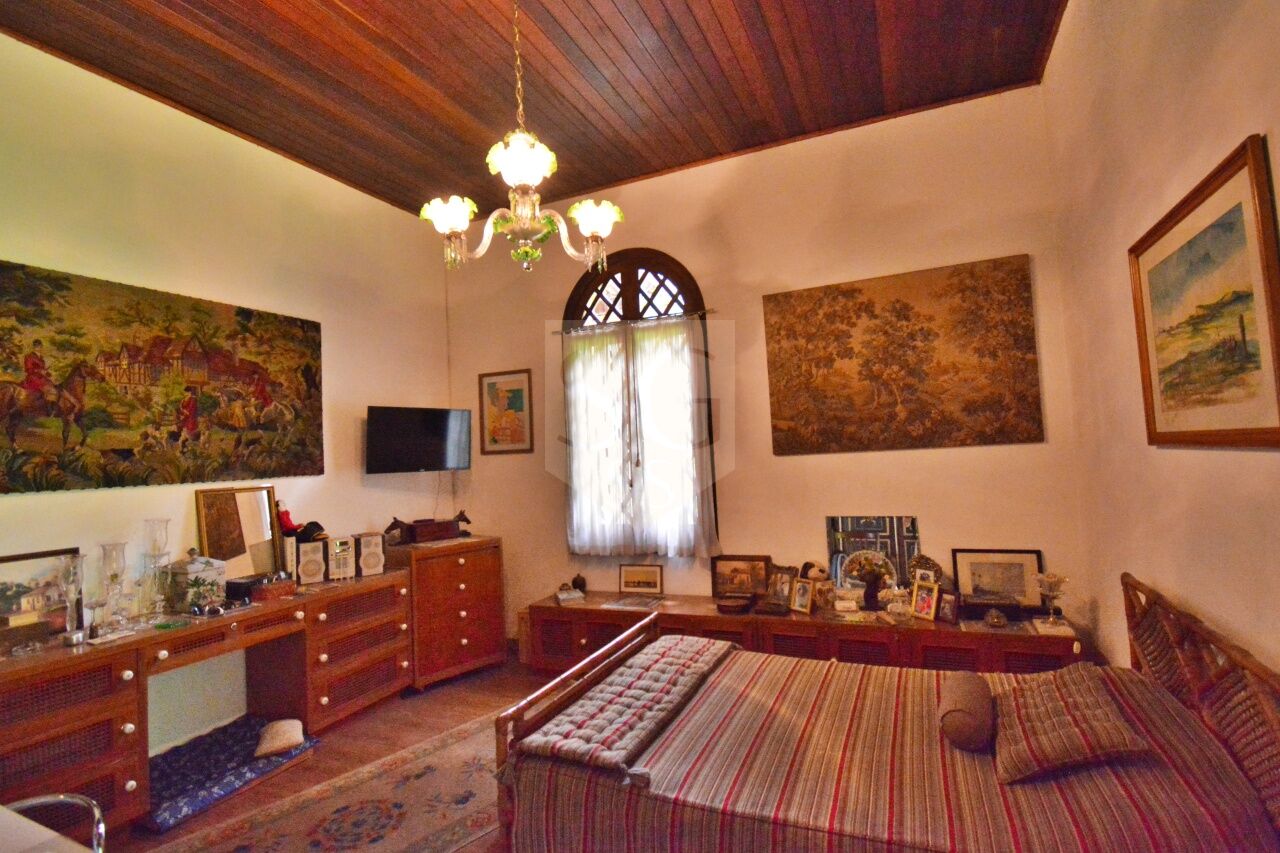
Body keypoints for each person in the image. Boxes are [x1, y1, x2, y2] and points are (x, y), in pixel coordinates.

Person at [21, 339, 56, 404]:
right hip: (32, 377)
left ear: (41, 347)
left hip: (41, 377)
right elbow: (28, 370)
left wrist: (48, 373)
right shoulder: (29, 356)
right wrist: (39, 371)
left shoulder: (41, 358)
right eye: (36, 346)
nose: (38, 347)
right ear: (34, 347)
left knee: (52, 385)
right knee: (47, 387)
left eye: (39, 346)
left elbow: (43, 369)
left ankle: (49, 404)